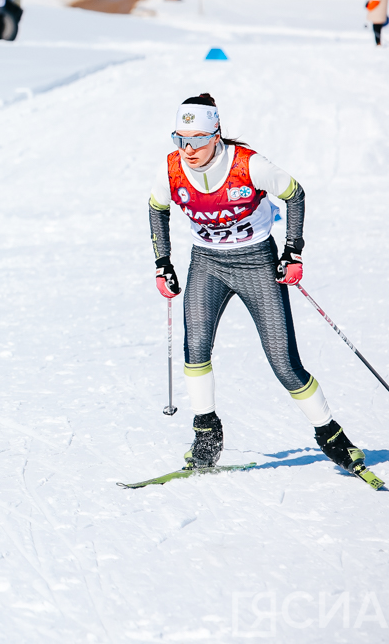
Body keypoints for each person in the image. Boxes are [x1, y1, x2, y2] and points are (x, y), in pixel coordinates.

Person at [148, 93, 380, 487]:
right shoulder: (171, 168)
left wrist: (293, 252)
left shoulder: (249, 165)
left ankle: (332, 436)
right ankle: (206, 434)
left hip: (255, 261)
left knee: (283, 362)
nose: (188, 149)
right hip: (208, 262)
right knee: (196, 348)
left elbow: (295, 194)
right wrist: (162, 263)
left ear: (216, 135)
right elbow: (157, 208)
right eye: (180, 138)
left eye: (197, 139)